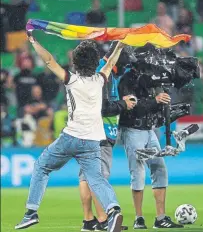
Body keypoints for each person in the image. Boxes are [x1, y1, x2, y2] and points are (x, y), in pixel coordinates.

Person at [15, 33, 126, 232]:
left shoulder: (71, 79)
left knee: (41, 166)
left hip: (71, 137)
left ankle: (31, 212)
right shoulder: (100, 80)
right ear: (94, 63)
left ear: (75, 62)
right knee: (96, 179)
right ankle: (113, 209)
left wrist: (34, 42)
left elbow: (49, 60)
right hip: (93, 141)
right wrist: (119, 46)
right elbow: (109, 63)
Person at [117, 50, 183, 229]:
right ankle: (139, 218)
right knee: (137, 173)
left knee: (159, 168)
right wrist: (156, 100)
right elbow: (134, 108)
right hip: (132, 129)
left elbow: (154, 104)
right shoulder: (127, 80)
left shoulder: (151, 78)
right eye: (147, 60)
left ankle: (160, 218)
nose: (151, 63)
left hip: (149, 130)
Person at [79, 43, 136, 231]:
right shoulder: (104, 75)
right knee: (98, 177)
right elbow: (102, 107)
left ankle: (88, 221)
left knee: (86, 177)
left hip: (88, 131)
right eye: (126, 62)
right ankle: (103, 220)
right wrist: (123, 104)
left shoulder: (101, 72)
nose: (127, 66)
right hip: (100, 132)